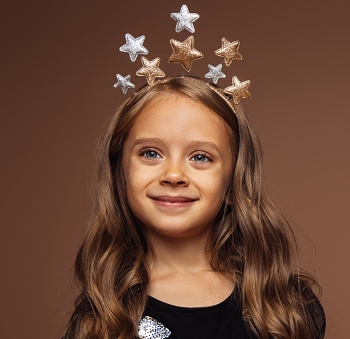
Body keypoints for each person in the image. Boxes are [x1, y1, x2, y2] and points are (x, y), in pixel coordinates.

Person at [64, 76, 325, 339]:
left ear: (233, 183)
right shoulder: (103, 316)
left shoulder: (284, 307)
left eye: (200, 157)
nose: (174, 174)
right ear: (121, 175)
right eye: (151, 153)